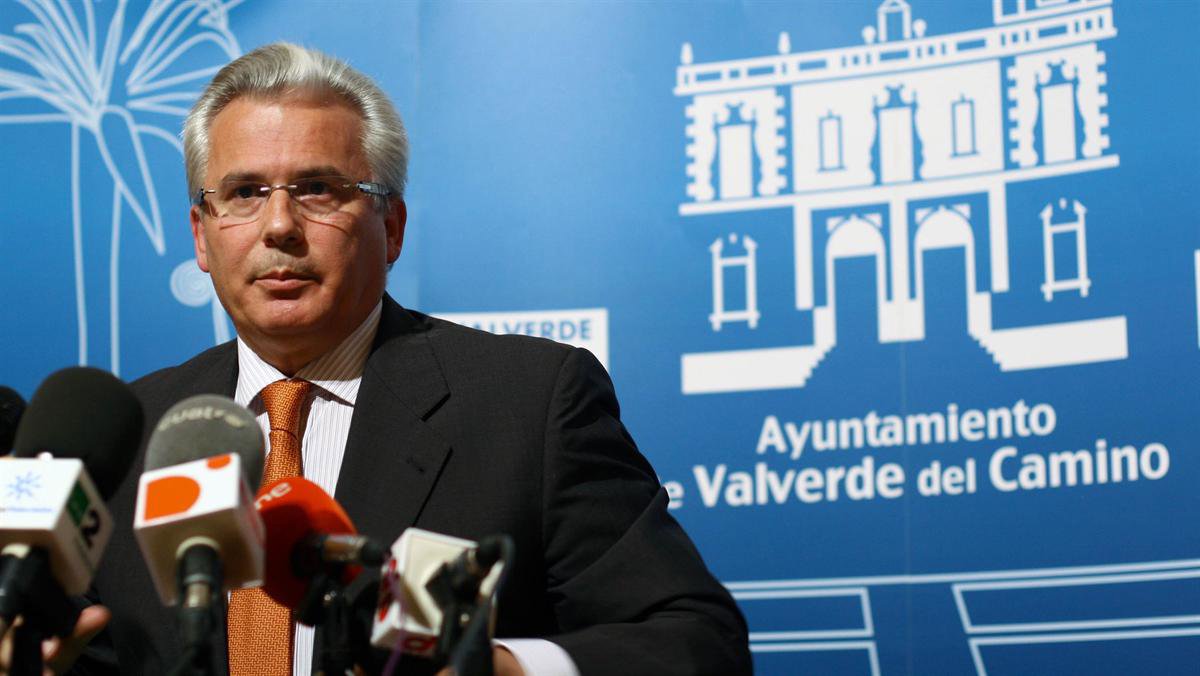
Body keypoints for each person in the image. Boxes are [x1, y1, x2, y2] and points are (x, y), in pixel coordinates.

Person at [64, 43, 750, 675]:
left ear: (390, 227)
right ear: (202, 236)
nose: (278, 227)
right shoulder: (135, 437)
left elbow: (695, 643)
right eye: (244, 193)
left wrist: (500, 669)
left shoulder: (530, 403)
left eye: (317, 189)